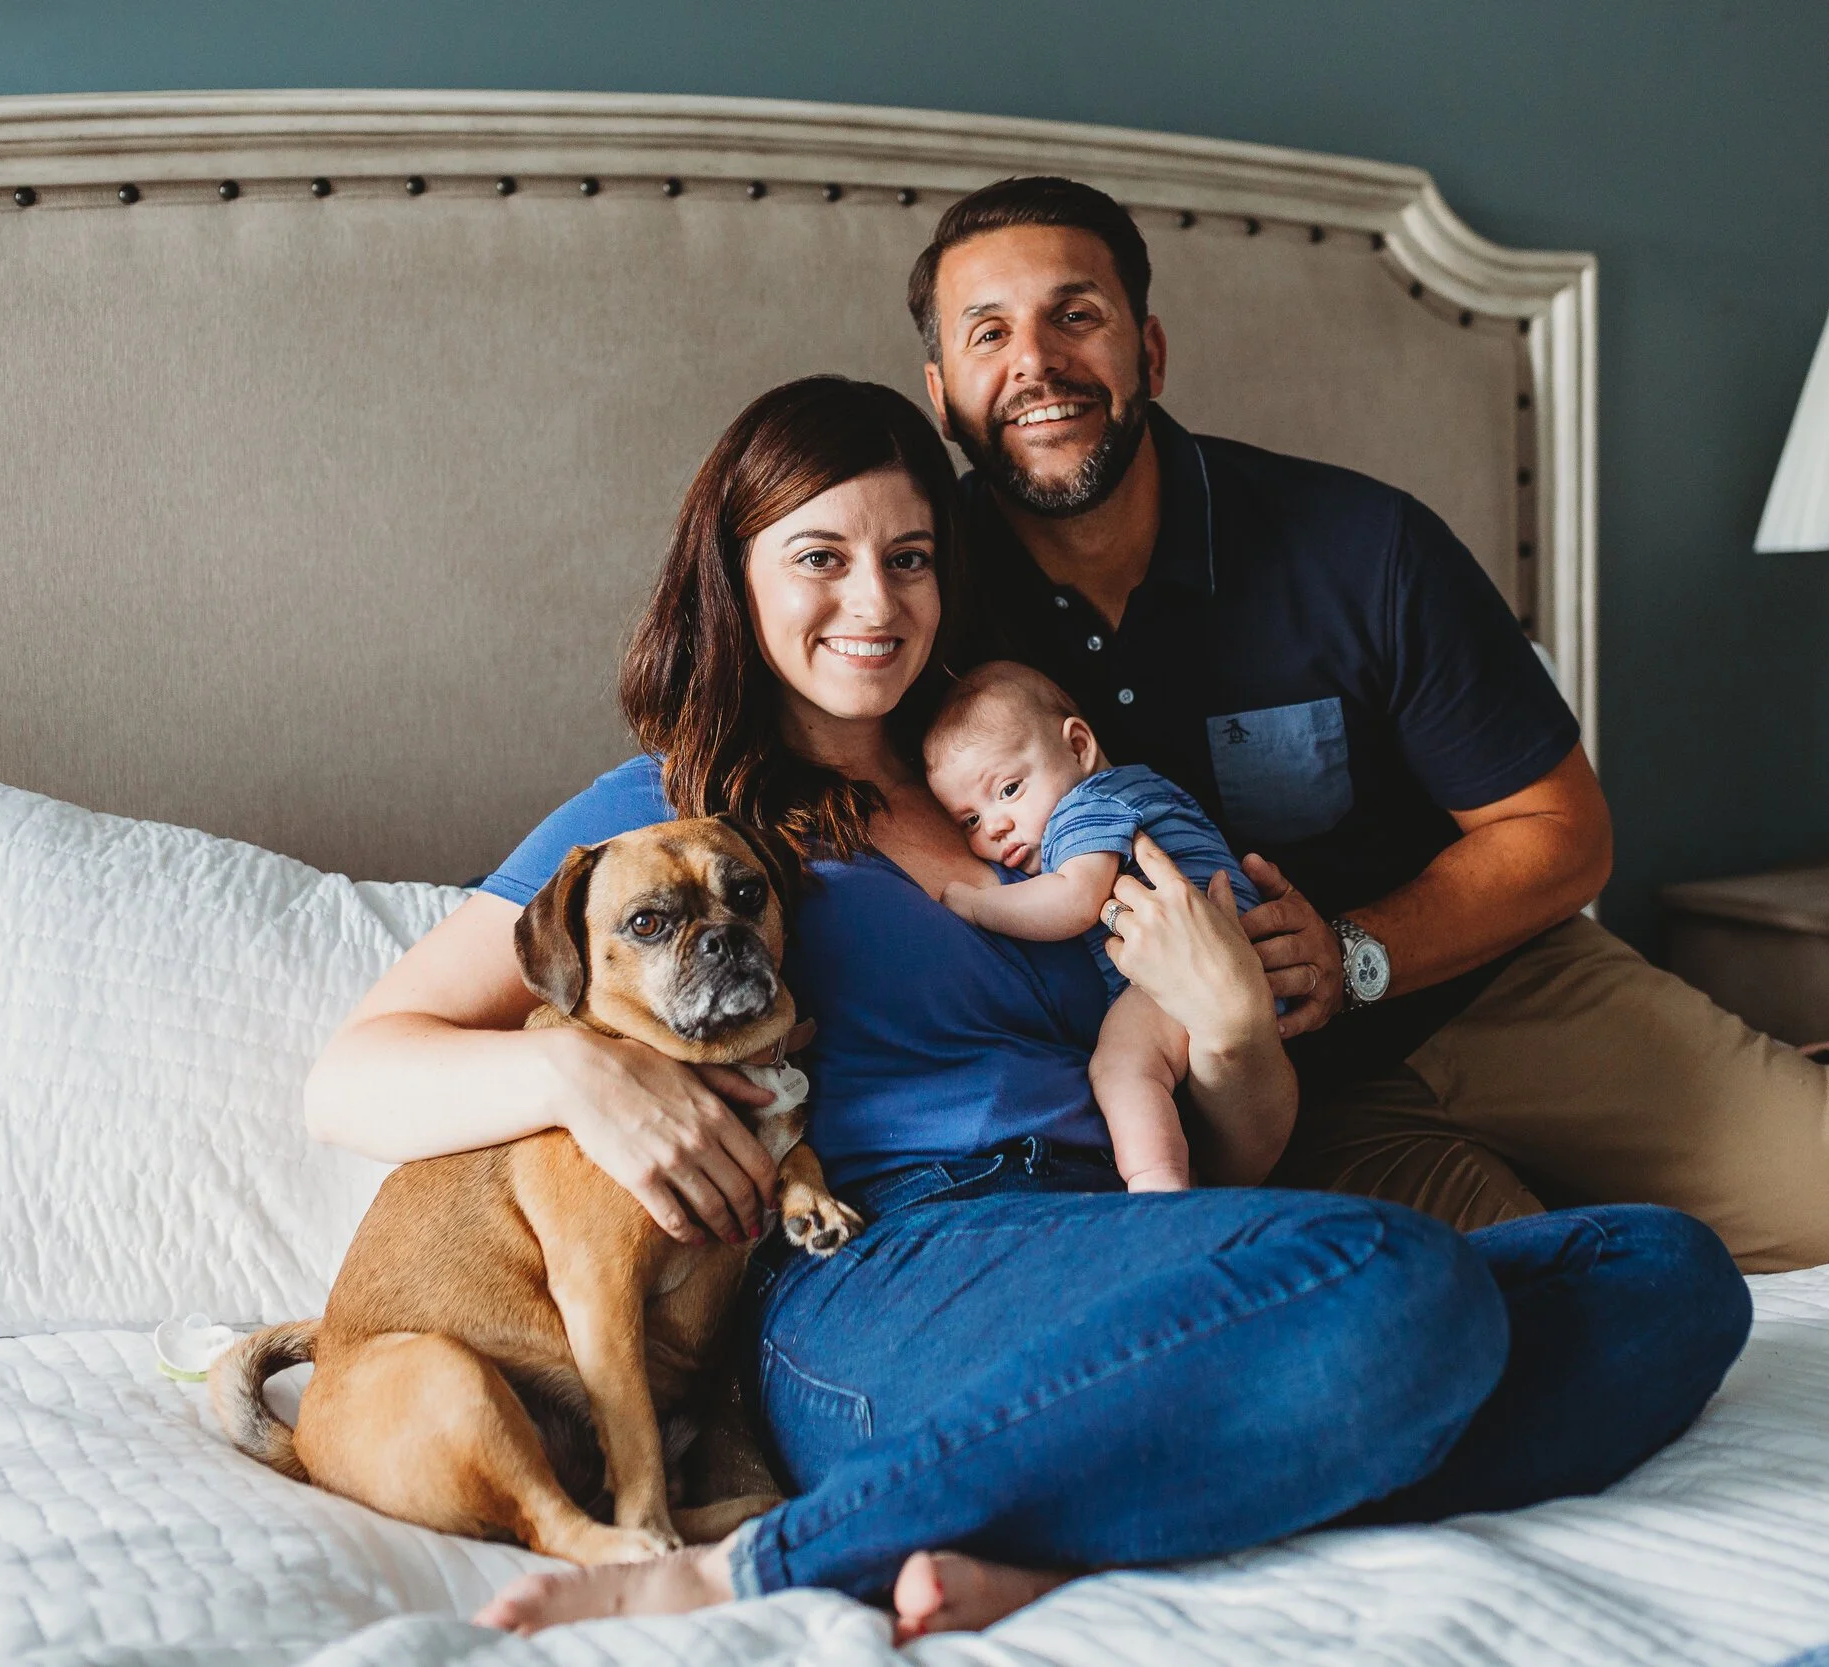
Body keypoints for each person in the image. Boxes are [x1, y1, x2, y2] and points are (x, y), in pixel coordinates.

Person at [302, 375, 1753, 1639]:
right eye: (820, 556)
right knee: (1398, 1285)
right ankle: (751, 1562)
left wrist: (1237, 1033)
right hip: (878, 1268)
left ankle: (1048, 1535)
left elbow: (1228, 1154)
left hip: (1117, 1224)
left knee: (1664, 1279)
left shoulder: (1038, 808)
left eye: (911, 558)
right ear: (732, 575)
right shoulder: (675, 817)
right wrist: (582, 1080)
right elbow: (353, 1072)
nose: (875, 604)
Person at [908, 176, 1829, 1274]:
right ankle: (1677, 1133)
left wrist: (1354, 951)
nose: (1034, 361)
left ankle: (1772, 1090)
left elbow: (1565, 826)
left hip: (1489, 987)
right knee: (1550, 1294)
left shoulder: (1362, 545)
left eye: (1075, 315)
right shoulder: (916, 605)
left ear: (1151, 351)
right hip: (1271, 1096)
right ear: (941, 394)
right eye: (989, 334)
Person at [925, 658, 1276, 1192]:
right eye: (970, 820)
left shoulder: (1084, 809)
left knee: (1121, 1068)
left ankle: (1158, 1186)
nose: (995, 825)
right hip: (1238, 962)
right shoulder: (1142, 788)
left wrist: (976, 907)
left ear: (1078, 747)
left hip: (1192, 965)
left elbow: (1074, 902)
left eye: (1009, 789)